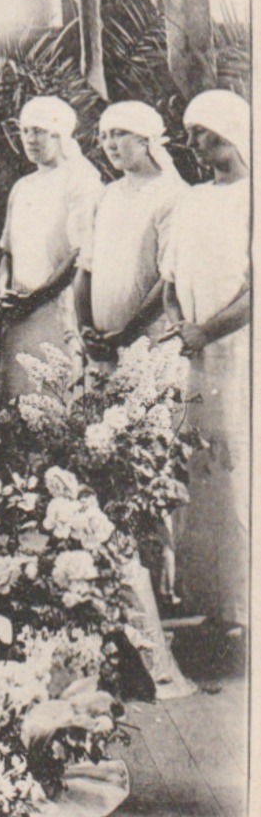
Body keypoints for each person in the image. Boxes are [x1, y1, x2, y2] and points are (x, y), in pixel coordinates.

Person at [161, 90, 250, 630]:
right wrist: (180, 328)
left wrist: (207, 330)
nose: (191, 143)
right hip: (193, 361)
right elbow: (170, 277)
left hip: (241, 357)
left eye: (201, 132)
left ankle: (245, 603)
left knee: (240, 469)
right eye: (189, 133)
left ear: (230, 133)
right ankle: (208, 598)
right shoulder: (192, 201)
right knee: (199, 471)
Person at [0, 96, 103, 402]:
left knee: (59, 397)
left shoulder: (81, 180)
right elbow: (7, 250)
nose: (31, 139)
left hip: (60, 306)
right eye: (26, 131)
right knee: (20, 400)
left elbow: (80, 253)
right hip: (19, 311)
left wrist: (38, 296)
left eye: (40, 131)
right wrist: (4, 292)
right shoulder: (22, 187)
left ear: (59, 135)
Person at [75, 101, 188, 367]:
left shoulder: (174, 194)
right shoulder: (107, 196)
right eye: (104, 136)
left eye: (119, 133)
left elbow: (170, 277)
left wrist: (128, 334)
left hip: (150, 342)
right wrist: (85, 328)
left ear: (145, 139)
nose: (110, 144)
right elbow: (85, 267)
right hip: (102, 345)